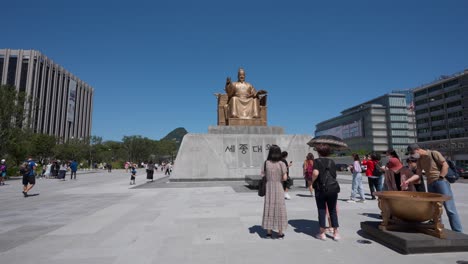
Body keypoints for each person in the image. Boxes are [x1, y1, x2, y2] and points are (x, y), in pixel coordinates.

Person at [402, 144, 463, 232]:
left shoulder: (434, 153)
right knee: (435, 209)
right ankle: (438, 228)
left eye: (412, 152)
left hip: (441, 182)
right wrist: (407, 181)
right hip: (430, 183)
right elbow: (417, 174)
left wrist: (441, 177)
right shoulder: (419, 160)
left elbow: (445, 165)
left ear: (418, 149)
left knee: (449, 208)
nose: (412, 155)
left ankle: (458, 231)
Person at [312, 143, 341, 241]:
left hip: (321, 189)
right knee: (332, 210)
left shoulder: (316, 161)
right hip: (333, 188)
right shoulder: (332, 161)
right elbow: (334, 175)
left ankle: (322, 233)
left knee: (321, 210)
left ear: (319, 152)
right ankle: (336, 233)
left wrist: (312, 181)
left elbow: (315, 173)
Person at [261, 144, 288, 239]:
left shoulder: (266, 163)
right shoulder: (282, 163)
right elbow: (285, 178)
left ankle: (269, 232)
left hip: (269, 188)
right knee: (280, 209)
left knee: (269, 208)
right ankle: (280, 233)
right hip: (279, 187)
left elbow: (262, 174)